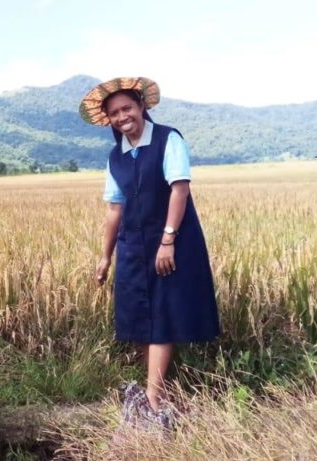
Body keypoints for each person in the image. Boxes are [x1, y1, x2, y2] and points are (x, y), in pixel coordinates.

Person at [81, 77, 221, 413]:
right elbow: (115, 208)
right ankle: (160, 394)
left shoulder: (167, 139)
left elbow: (179, 189)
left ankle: (154, 399)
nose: (122, 116)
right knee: (142, 320)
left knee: (162, 316)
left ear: (141, 107)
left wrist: (168, 239)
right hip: (132, 247)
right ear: (109, 120)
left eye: (127, 107)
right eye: (114, 113)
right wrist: (105, 256)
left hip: (170, 243)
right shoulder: (116, 156)